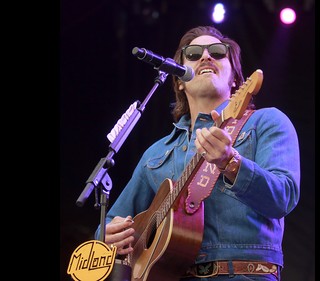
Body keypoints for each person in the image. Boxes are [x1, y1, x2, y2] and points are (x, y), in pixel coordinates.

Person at [94, 25, 300, 281]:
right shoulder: (156, 153)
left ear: (236, 79)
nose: (205, 57)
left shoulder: (267, 122)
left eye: (217, 51)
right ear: (179, 81)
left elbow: (284, 197)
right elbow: (112, 220)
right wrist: (106, 234)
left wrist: (231, 163)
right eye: (192, 54)